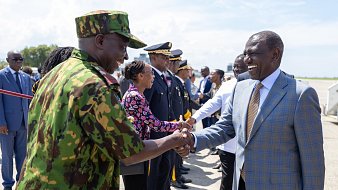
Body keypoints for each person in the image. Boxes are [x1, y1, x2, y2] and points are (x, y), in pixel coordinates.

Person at [16, 10, 189, 190]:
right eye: (122, 47)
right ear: (100, 41)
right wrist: (176, 139)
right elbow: (130, 152)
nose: (127, 56)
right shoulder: (94, 85)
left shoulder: (54, 74)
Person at [180, 31, 325, 190]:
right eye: (245, 54)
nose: (246, 59)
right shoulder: (241, 88)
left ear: (274, 54)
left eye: (252, 53)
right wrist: (193, 139)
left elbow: (313, 161)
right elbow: (225, 128)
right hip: (241, 183)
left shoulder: (300, 95)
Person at [121, 60, 190, 190]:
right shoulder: (135, 96)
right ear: (141, 76)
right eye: (150, 73)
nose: (153, 77)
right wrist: (178, 125)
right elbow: (155, 124)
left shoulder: (136, 94)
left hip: (138, 148)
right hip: (135, 150)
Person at [187, 54, 248, 190]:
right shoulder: (227, 85)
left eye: (240, 67)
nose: (236, 69)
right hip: (228, 145)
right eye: (234, 67)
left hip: (247, 148)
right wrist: (195, 118)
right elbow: (212, 104)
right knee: (227, 182)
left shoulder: (256, 85)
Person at [0, 51, 33, 190]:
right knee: (7, 157)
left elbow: (31, 100)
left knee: (22, 156)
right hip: (6, 124)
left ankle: (21, 182)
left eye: (21, 59)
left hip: (23, 124)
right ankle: (8, 185)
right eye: (16, 59)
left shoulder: (26, 77)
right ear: (8, 60)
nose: (19, 61)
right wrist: (1, 121)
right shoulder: (1, 76)